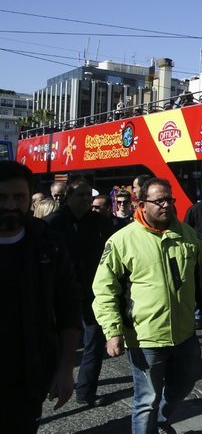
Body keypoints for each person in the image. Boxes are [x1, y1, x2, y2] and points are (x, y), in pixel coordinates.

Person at [92, 177, 202, 434]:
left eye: (169, 200)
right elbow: (104, 289)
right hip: (145, 337)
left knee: (182, 386)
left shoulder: (187, 235)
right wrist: (112, 330)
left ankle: (161, 421)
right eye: (159, 200)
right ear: (142, 204)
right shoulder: (122, 241)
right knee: (146, 400)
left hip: (184, 334)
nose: (166, 205)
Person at [0, 161, 82, 432]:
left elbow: (68, 308)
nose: (10, 205)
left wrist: (65, 368)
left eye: (18, 197)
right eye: (2, 197)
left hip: (28, 379)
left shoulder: (49, 245)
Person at [44, 179, 115, 408]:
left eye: (88, 195)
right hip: (61, 293)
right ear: (69, 197)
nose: (85, 199)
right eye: (80, 195)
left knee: (94, 341)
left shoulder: (101, 223)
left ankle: (86, 391)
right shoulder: (52, 224)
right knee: (57, 342)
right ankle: (52, 381)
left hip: (94, 291)